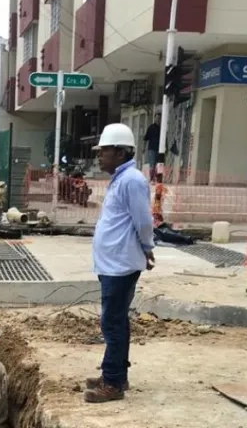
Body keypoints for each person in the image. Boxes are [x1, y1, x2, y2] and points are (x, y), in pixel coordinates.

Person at [84, 123, 155, 404]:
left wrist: (148, 248)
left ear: (121, 152)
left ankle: (112, 383)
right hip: (113, 263)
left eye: (104, 152)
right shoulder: (121, 179)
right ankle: (115, 374)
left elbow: (144, 221)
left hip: (120, 265)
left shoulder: (132, 181)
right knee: (115, 322)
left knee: (112, 323)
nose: (100, 157)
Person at [143, 113, 161, 180]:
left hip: (160, 149)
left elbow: (165, 139)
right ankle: (152, 178)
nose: (158, 119)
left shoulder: (162, 128)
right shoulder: (151, 127)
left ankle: (157, 178)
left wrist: (166, 147)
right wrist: (144, 148)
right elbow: (145, 139)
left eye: (159, 118)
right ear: (155, 118)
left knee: (158, 165)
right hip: (152, 149)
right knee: (152, 165)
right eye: (157, 118)